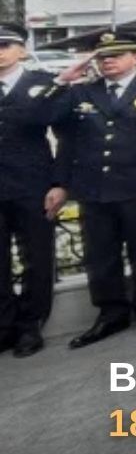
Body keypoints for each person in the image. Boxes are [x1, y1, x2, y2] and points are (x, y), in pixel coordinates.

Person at [45, 30, 136, 348]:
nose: (108, 61)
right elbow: (62, 135)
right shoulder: (81, 93)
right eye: (103, 56)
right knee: (99, 255)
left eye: (116, 55)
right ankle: (111, 312)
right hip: (95, 187)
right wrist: (62, 82)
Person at [0, 23, 58, 357]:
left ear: (22, 50)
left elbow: (66, 135)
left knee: (36, 257)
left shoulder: (43, 84)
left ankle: (30, 324)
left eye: (6, 44)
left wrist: (59, 183)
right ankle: (4, 326)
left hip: (32, 184)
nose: (0, 51)